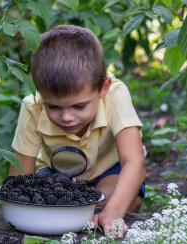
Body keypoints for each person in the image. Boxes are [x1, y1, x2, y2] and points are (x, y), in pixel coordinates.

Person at [9, 24, 145, 238]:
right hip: (56, 175)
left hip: (107, 171)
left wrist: (114, 212)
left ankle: (101, 216)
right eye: (53, 107)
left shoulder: (115, 95)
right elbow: (20, 176)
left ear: (103, 88)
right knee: (47, 202)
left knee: (107, 199)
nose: (67, 117)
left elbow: (134, 161)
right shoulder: (32, 106)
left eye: (79, 106)